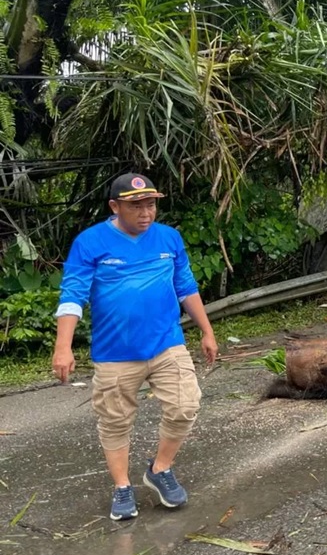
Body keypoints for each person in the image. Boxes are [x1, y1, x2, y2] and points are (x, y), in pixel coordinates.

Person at [51, 173, 218, 521]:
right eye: (136, 206)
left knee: (186, 405)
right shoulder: (90, 242)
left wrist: (206, 330)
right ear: (115, 207)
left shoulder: (169, 238)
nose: (146, 213)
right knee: (115, 421)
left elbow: (185, 286)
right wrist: (63, 347)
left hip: (166, 344)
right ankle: (123, 487)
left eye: (151, 204)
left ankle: (160, 469)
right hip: (114, 353)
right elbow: (72, 296)